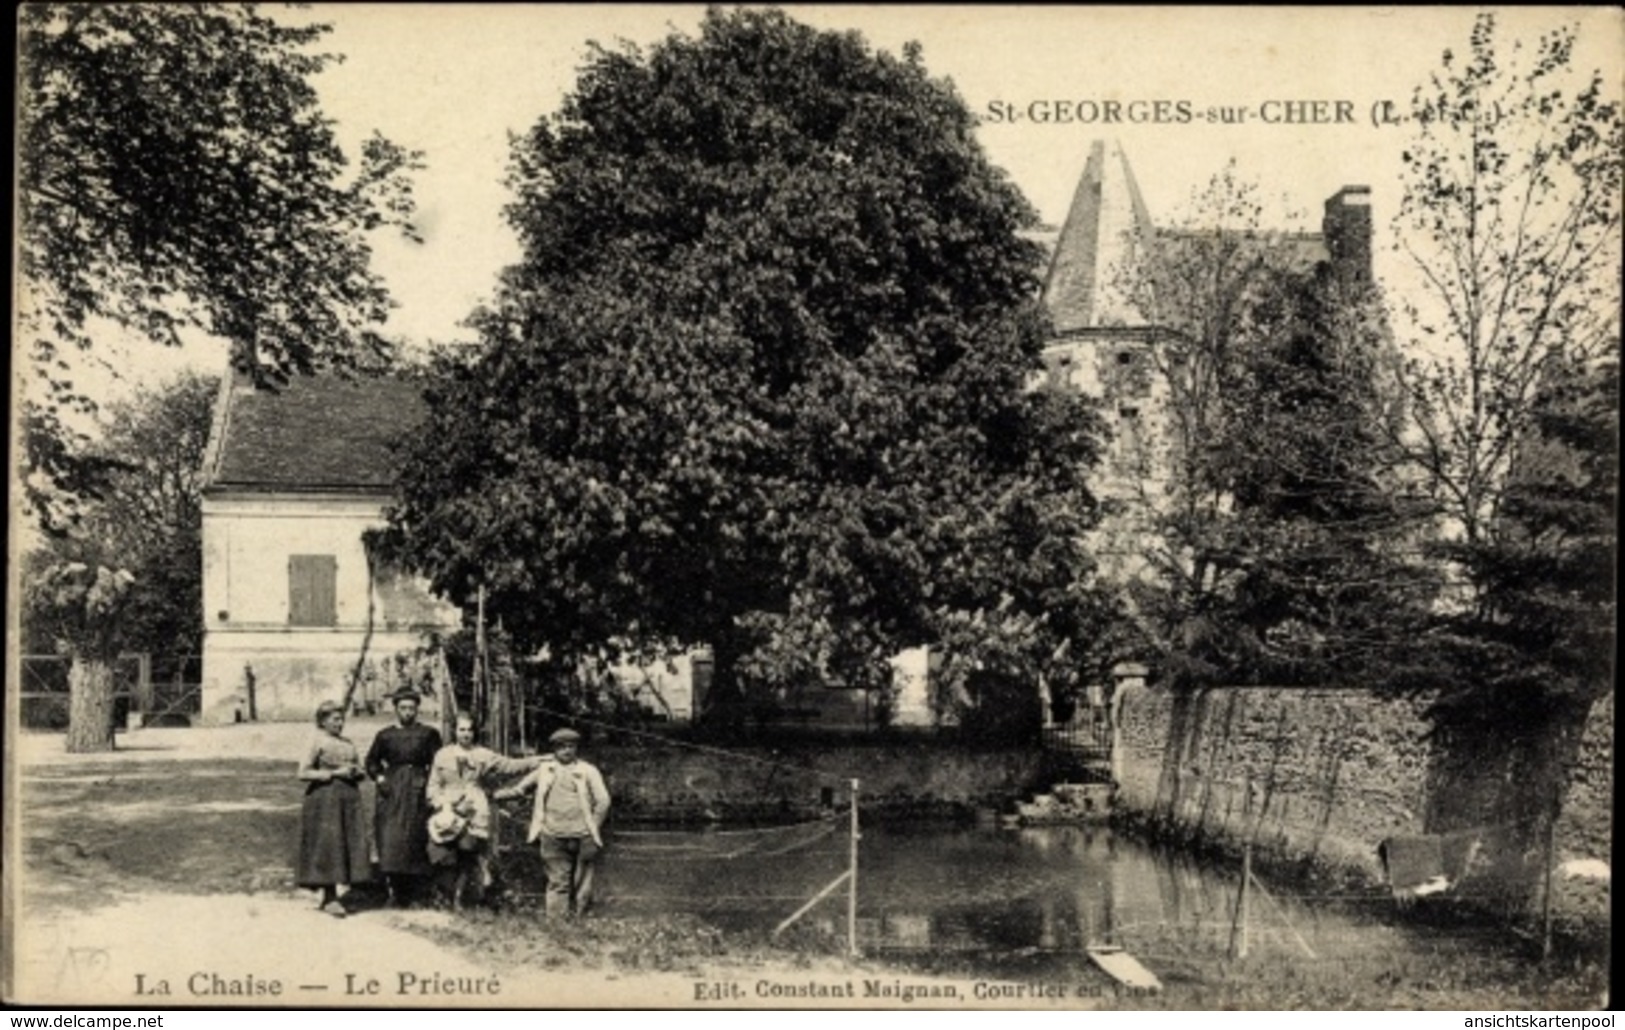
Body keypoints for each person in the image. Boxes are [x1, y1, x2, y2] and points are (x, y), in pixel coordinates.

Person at [426, 712, 545, 910]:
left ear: (475, 732)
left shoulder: (483, 755)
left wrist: (538, 760)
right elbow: (433, 786)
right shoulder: (442, 755)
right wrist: (442, 805)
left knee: (468, 851)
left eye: (469, 730)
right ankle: (442, 895)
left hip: (474, 807)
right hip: (447, 807)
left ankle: (460, 897)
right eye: (461, 729)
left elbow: (510, 766)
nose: (465, 734)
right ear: (455, 731)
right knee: (442, 852)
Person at [494, 728, 611, 919]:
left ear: (577, 748)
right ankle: (557, 924)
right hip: (553, 834)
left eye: (571, 746)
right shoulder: (545, 769)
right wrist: (498, 795)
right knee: (558, 880)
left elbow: (603, 801)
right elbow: (520, 789)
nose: (567, 751)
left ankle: (581, 919)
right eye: (562, 747)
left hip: (583, 835)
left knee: (582, 880)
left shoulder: (588, 770)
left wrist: (593, 827)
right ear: (554, 750)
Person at [364, 687, 443, 906]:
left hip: (418, 788)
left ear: (417, 709)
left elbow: (439, 763)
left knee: (415, 838)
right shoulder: (385, 735)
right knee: (391, 838)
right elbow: (371, 761)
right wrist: (380, 778)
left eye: (412, 708)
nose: (408, 712)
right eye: (403, 708)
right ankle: (395, 892)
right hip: (392, 790)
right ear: (396, 709)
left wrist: (430, 786)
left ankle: (416, 893)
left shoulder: (428, 734)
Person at [295, 700, 371, 917]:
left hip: (348, 799)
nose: (340, 723)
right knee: (330, 845)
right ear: (323, 721)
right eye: (335, 719)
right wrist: (335, 773)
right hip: (324, 800)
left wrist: (356, 772)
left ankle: (349, 888)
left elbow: (361, 769)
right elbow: (302, 772)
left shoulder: (348, 743)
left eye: (342, 719)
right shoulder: (317, 742)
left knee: (348, 842)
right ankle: (329, 897)